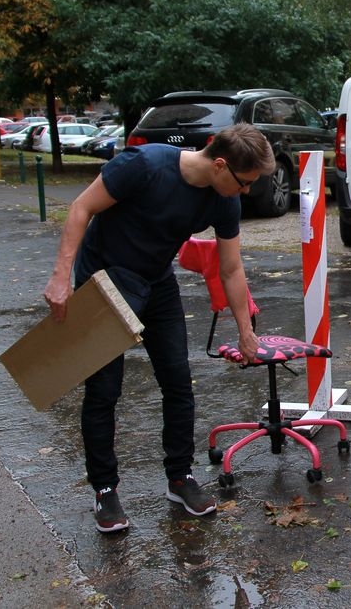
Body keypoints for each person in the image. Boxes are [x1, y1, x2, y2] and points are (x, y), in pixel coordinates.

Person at [42, 123, 275, 533]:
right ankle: (105, 489)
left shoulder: (223, 201)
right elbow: (81, 208)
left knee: (178, 381)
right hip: (105, 279)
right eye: (244, 182)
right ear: (220, 165)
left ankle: (180, 476)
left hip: (155, 282)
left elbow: (231, 268)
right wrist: (62, 277)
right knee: (104, 389)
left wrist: (245, 330)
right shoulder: (145, 164)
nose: (245, 191)